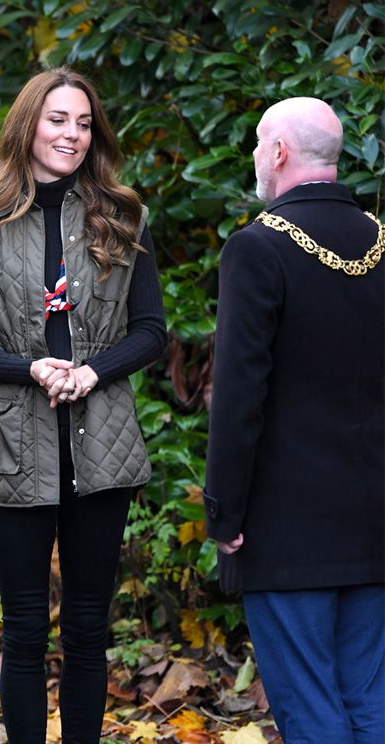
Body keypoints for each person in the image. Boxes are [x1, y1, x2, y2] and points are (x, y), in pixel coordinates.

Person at [0, 67, 167, 743]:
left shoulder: (123, 217)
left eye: (84, 123)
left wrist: (93, 372)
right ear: (27, 124)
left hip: (103, 443)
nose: (72, 134)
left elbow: (151, 331)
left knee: (91, 625)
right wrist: (29, 367)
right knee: (25, 627)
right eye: (58, 119)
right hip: (15, 444)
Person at [204, 97, 384, 743]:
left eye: (258, 143)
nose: (257, 155)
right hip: (375, 521)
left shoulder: (258, 248)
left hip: (287, 527)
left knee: (311, 712)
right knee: (370, 702)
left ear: (278, 152)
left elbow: (238, 397)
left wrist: (224, 514)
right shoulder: (380, 240)